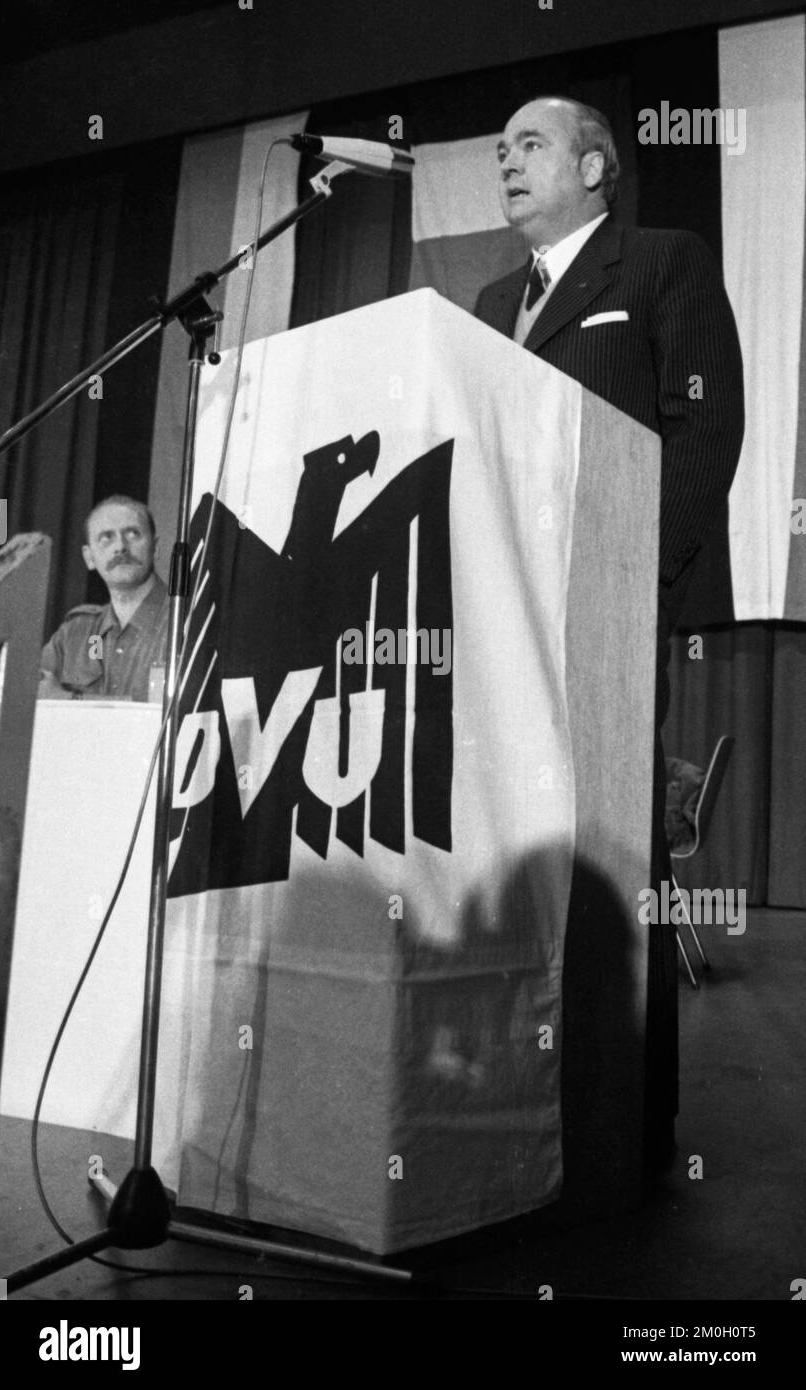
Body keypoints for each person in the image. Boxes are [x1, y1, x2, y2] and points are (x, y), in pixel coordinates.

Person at [474, 96, 745, 1165]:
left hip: (611, 613)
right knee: (512, 856)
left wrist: (632, 584)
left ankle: (621, 1124)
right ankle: (508, 1103)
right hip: (498, 618)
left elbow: (702, 429)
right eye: (499, 149)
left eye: (528, 143)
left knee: (605, 856)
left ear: (596, 167)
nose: (506, 159)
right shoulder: (493, 298)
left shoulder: (661, 262)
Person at [39, 495, 169, 702]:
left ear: (155, 548)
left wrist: (70, 699)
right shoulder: (75, 633)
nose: (120, 547)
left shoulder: (186, 622)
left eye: (133, 534)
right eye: (106, 537)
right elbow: (27, 689)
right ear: (89, 557)